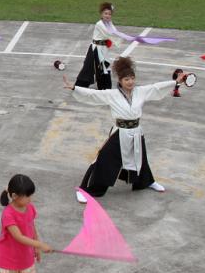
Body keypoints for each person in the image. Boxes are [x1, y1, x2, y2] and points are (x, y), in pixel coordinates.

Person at [63, 57, 188, 202]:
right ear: (120, 81)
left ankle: (146, 181)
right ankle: (85, 189)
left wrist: (176, 82)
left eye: (132, 78)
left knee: (140, 157)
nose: (130, 82)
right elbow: (93, 95)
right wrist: (74, 88)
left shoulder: (140, 91)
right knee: (104, 157)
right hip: (120, 132)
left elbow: (156, 88)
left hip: (136, 131)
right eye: (127, 79)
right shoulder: (112, 94)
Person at [74, 2, 122, 90]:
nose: (107, 16)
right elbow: (109, 34)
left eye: (109, 14)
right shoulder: (99, 24)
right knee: (89, 68)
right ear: (101, 14)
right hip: (95, 49)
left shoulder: (109, 23)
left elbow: (115, 32)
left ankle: (105, 87)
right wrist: (124, 37)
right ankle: (79, 86)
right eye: (105, 13)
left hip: (103, 49)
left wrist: (122, 36)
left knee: (104, 67)